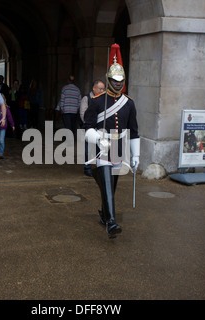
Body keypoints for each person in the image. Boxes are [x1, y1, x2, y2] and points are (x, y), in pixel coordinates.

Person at [84, 44, 140, 239]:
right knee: (106, 181)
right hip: (101, 147)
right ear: (108, 80)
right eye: (114, 81)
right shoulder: (98, 101)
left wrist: (136, 154)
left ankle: (104, 214)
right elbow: (87, 127)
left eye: (121, 81)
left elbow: (134, 131)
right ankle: (112, 223)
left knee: (111, 186)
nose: (118, 84)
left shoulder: (129, 103)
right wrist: (98, 138)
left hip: (119, 148)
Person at [80, 79, 105, 177]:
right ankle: (87, 168)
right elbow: (83, 114)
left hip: (101, 129)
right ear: (94, 88)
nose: (102, 91)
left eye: (103, 89)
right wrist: (89, 126)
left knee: (100, 149)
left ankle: (100, 168)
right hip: (90, 129)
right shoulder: (86, 99)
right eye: (100, 89)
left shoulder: (104, 99)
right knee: (88, 149)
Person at [0, 93, 15, 159]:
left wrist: (12, 125)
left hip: (3, 127)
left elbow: (9, 117)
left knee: (1, 140)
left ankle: (0, 152)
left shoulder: (6, 108)